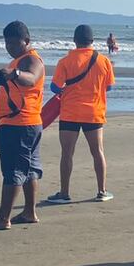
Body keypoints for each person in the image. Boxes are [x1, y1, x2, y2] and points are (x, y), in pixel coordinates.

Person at [0, 21, 45, 229]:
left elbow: (31, 78)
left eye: (15, 44)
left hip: (20, 125)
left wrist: (14, 74)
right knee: (29, 170)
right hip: (25, 124)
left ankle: (3, 217)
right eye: (7, 44)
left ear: (27, 41)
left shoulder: (32, 60)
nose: (10, 48)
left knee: (14, 171)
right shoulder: (19, 61)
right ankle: (29, 212)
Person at [45, 24, 116, 203]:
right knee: (98, 151)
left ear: (75, 41)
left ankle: (64, 193)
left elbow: (54, 87)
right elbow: (109, 86)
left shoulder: (65, 61)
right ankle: (102, 191)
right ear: (92, 41)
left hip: (70, 112)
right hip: (94, 112)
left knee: (67, 153)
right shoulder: (104, 61)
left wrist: (66, 92)